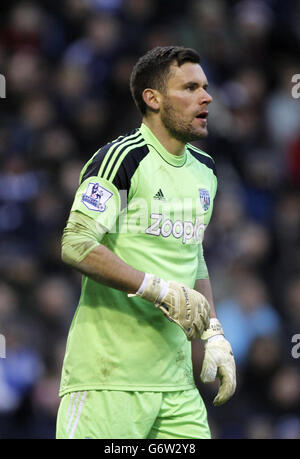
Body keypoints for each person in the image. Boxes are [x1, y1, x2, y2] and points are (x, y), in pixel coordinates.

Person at [56, 46, 236, 440]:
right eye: (189, 88)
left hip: (176, 388)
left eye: (205, 87)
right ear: (152, 99)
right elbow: (76, 243)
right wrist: (153, 288)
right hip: (109, 382)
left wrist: (214, 332)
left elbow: (195, 256)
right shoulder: (124, 160)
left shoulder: (205, 171)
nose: (206, 97)